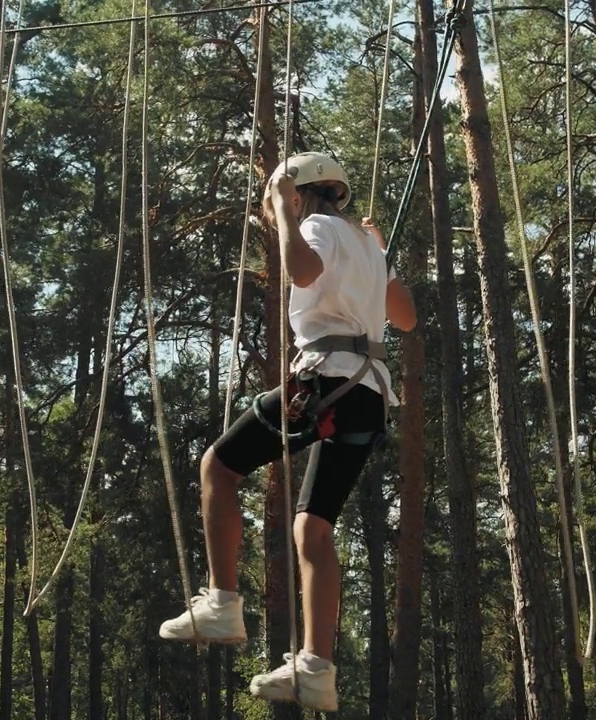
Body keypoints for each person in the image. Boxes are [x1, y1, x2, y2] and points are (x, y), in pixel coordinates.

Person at [158, 151, 417, 711]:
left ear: (300, 194)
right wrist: (382, 258)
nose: (274, 220)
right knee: (313, 529)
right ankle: (316, 669)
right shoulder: (368, 244)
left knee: (218, 468)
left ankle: (223, 603)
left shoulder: (317, 226)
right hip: (369, 396)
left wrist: (282, 208)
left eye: (280, 206)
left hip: (325, 382)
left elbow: (302, 272)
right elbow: (405, 317)